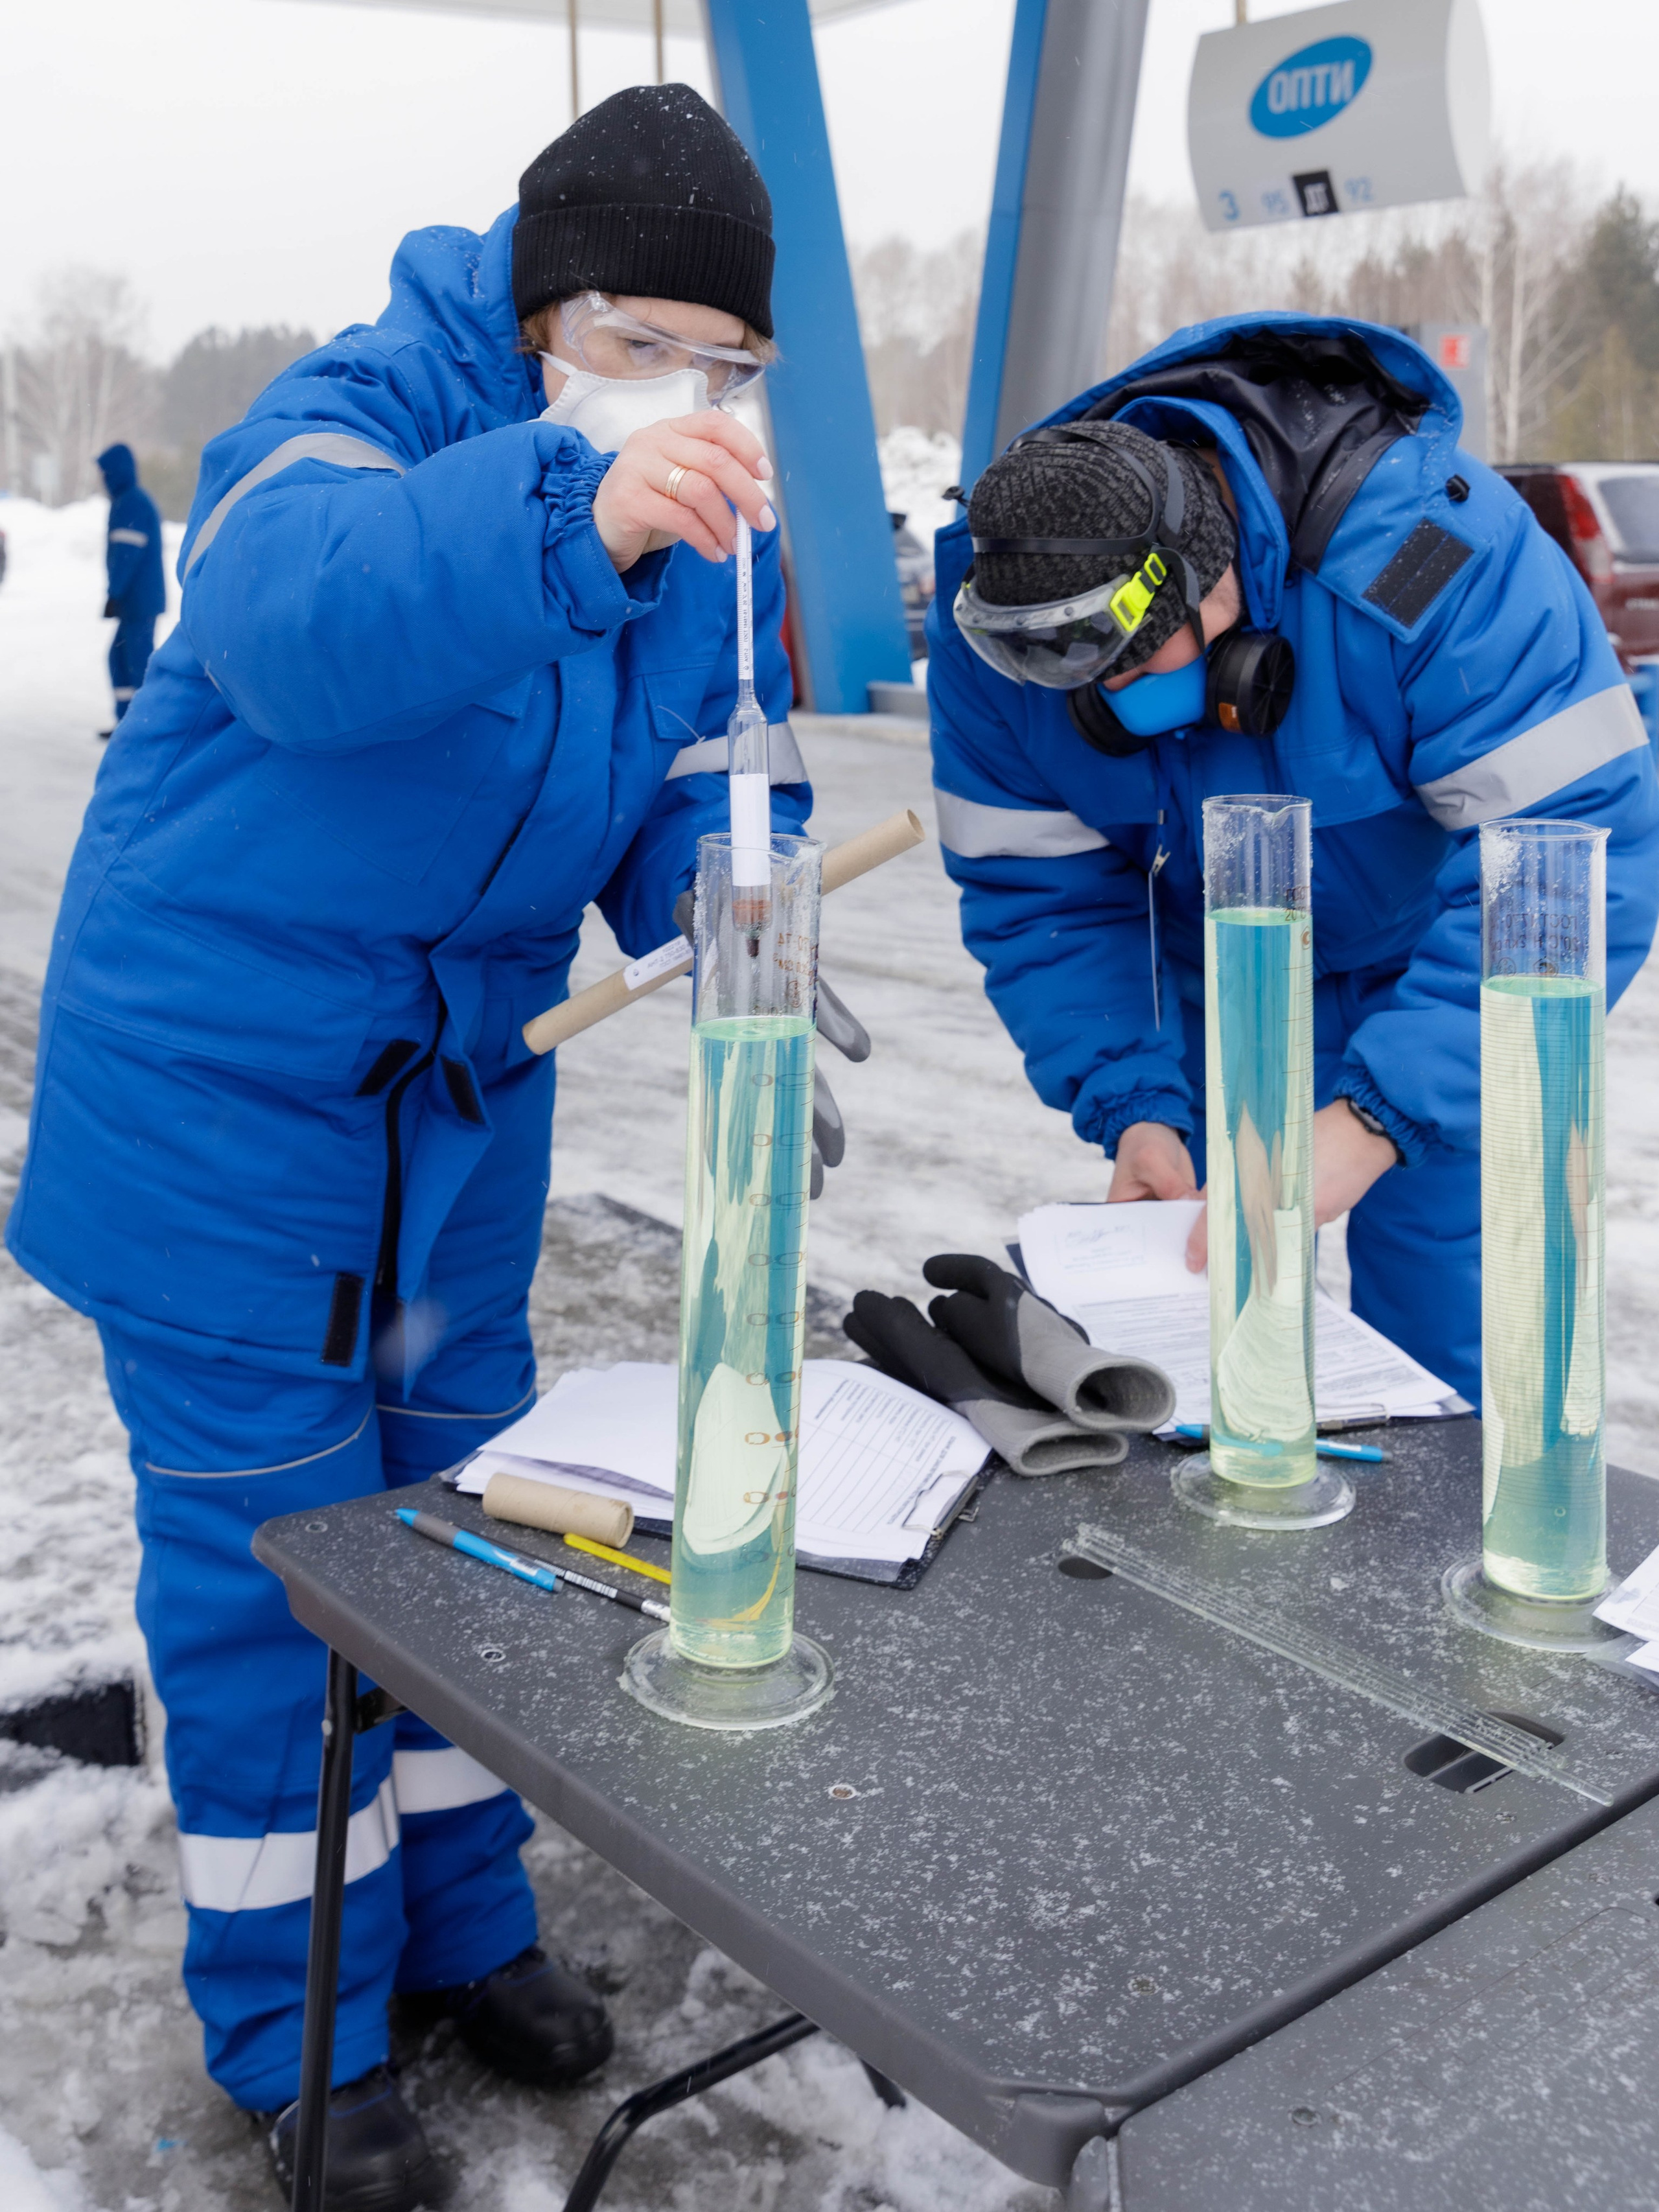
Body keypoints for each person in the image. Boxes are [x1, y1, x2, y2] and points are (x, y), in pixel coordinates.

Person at [9, 84, 801, 2211]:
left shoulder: (698, 497)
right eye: (659, 345)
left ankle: (462, 1936)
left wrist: (746, 919)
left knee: (471, 1537)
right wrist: (582, 497)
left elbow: (713, 753)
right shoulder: (352, 418)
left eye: (739, 367)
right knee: (283, 1583)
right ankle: (300, 2031)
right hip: (225, 1117)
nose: (701, 397)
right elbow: (302, 614)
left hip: (452, 1124)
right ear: (558, 314)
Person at [928, 314, 1659, 1406]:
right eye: (1072, 673)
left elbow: (1568, 860)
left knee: (1463, 1352)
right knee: (1212, 1340)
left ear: (1212, 580)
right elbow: (1040, 894)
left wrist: (1381, 1118)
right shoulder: (1010, 629)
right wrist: (1135, 1102)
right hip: (1226, 982)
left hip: (1451, 979)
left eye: (1129, 658)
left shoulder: (1430, 556)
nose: (1105, 694)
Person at [97, 441, 165, 734]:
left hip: (138, 600)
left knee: (137, 663)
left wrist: (115, 593)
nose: (102, 478)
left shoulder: (131, 503)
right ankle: (130, 722)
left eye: (105, 472)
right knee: (121, 660)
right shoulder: (130, 499)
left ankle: (146, 724)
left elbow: (126, 555)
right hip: (136, 600)